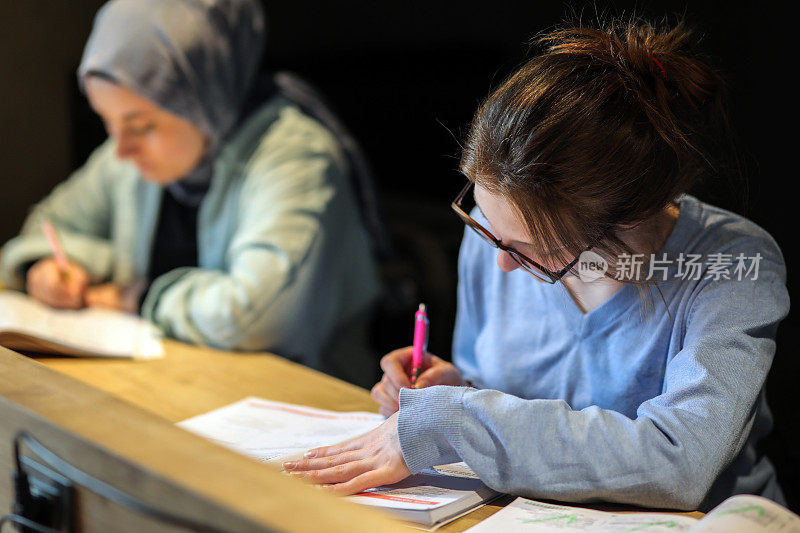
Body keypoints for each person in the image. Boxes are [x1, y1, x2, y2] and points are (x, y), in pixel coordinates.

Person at [282, 20, 790, 511]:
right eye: (489, 226)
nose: (500, 261)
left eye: (529, 247)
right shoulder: (494, 232)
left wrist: (459, 421)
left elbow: (681, 460)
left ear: (628, 217)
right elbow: (498, 399)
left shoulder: (732, 263)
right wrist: (455, 391)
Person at [0, 0, 380, 387]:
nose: (120, 150)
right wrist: (44, 267)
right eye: (106, 122)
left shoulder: (297, 158)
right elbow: (50, 224)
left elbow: (256, 317)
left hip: (304, 413)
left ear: (202, 100)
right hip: (174, 382)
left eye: (141, 125)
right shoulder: (130, 154)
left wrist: (139, 297)